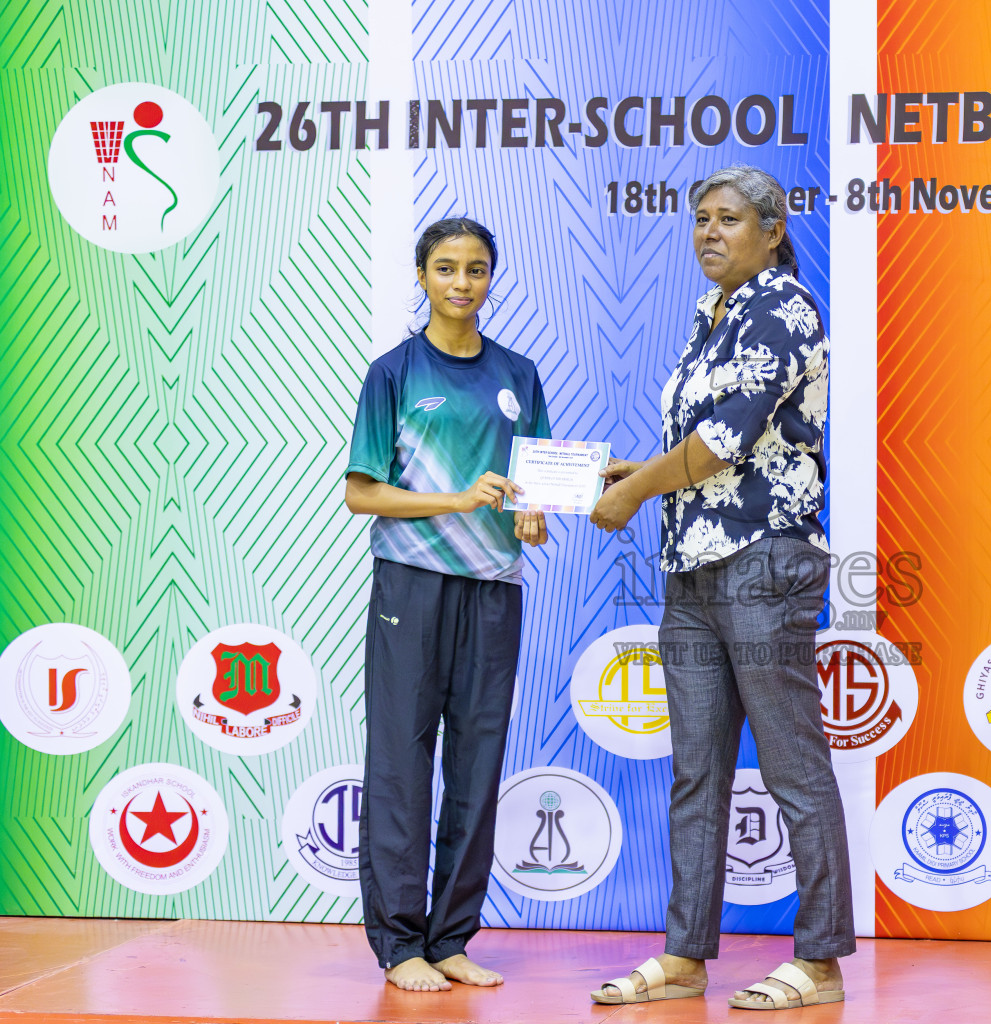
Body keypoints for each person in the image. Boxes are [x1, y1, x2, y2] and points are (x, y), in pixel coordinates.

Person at [588, 165, 851, 1011]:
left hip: (764, 562)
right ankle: (684, 958)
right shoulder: (714, 316)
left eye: (728, 218)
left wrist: (634, 493)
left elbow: (725, 443)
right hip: (694, 568)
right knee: (697, 772)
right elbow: (708, 449)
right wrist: (641, 470)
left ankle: (819, 963)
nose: (708, 231)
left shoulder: (782, 308)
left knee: (791, 765)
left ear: (771, 232)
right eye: (700, 218)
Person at [343, 216, 550, 993]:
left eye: (476, 269)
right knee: (401, 760)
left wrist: (532, 512)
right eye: (446, 268)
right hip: (412, 585)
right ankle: (400, 944)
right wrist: (459, 498)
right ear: (422, 275)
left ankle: (451, 938)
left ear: (491, 277)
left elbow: (536, 480)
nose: (462, 282)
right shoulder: (393, 373)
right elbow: (361, 493)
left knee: (477, 761)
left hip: (494, 588)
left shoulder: (520, 373)